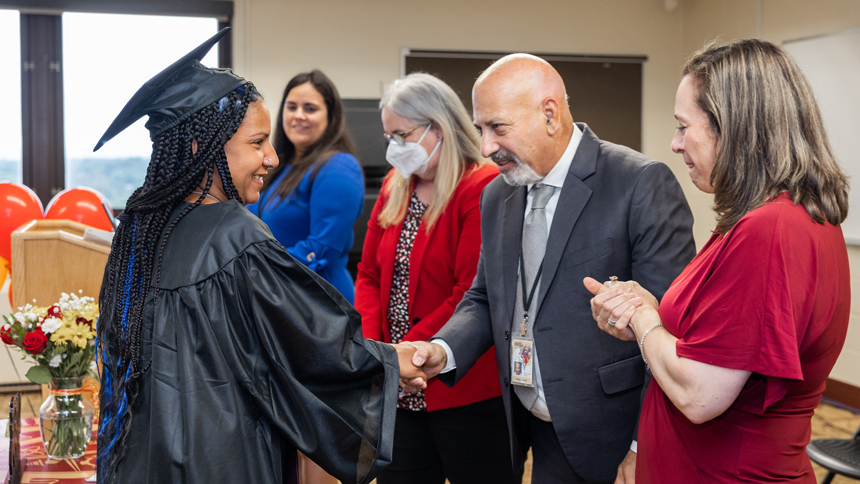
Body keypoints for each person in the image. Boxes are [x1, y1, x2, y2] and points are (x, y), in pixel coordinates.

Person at [94, 29, 421, 484]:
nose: (271, 157)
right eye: (256, 143)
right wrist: (391, 362)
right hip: (219, 455)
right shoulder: (233, 233)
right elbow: (311, 342)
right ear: (199, 146)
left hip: (143, 451)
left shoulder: (137, 228)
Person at [402, 54, 697, 483]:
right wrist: (440, 351)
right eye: (481, 129)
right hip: (530, 424)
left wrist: (642, 446)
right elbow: (485, 297)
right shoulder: (497, 195)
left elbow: (672, 329)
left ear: (550, 114)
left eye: (497, 128)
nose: (486, 148)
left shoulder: (639, 183)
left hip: (613, 438)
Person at [586, 39, 851, 483]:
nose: (674, 144)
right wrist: (652, 309)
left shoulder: (768, 231)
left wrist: (641, 317)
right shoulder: (792, 217)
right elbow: (726, 339)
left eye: (682, 126)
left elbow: (699, 394)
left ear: (733, 127)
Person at [354, 73, 520, 484]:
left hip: (462, 390)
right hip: (396, 385)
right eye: (389, 136)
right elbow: (370, 274)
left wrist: (410, 355)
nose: (394, 147)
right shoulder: (397, 184)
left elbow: (469, 293)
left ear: (437, 129)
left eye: (402, 135)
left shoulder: (481, 188)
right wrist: (382, 353)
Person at [247, 70, 363, 303]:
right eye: (292, 107)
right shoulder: (278, 165)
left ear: (331, 115)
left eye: (310, 108)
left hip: (317, 303)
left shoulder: (339, 168)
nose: (298, 115)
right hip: (276, 293)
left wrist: (250, 270)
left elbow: (319, 251)